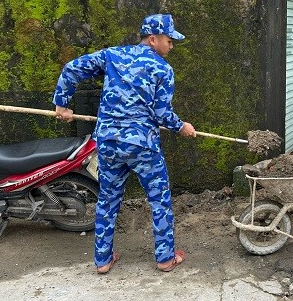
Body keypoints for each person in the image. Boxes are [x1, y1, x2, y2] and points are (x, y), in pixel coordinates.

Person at [52, 14, 197, 273]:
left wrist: (62, 103)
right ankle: (165, 258)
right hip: (143, 147)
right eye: (169, 40)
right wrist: (181, 127)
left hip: (108, 142)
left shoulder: (112, 55)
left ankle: (103, 261)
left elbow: (72, 68)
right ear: (153, 39)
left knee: (107, 200)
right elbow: (162, 114)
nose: (171, 46)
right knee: (159, 200)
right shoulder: (163, 69)